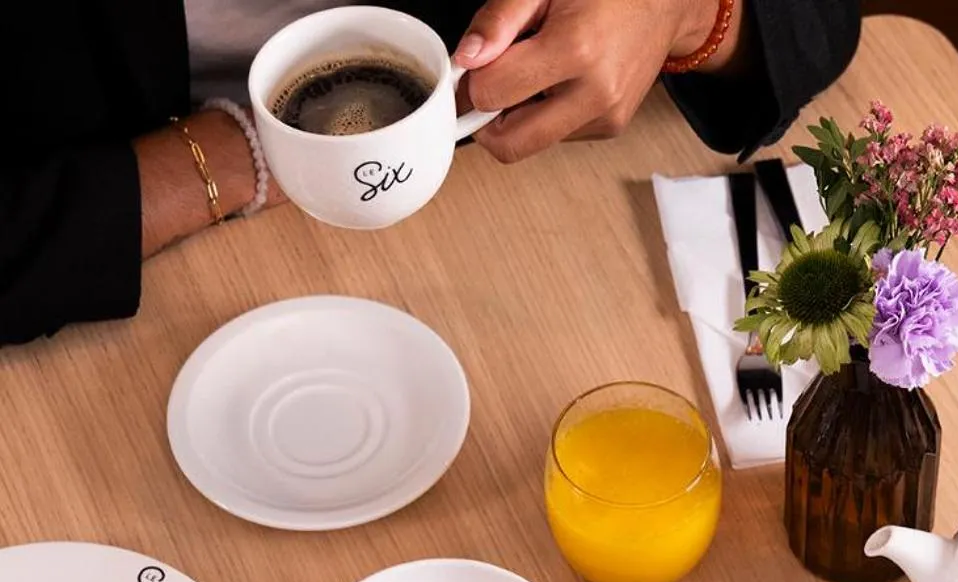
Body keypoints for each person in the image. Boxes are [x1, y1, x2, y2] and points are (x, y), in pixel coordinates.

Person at [2, 0, 860, 345]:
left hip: (522, 196)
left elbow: (816, 18)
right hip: (126, 257)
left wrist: (682, 10)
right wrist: (238, 156)